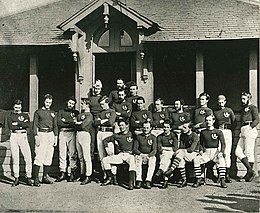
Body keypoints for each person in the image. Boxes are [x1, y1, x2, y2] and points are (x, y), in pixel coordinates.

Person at [193, 114, 227, 188]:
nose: (208, 122)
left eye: (210, 120)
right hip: (207, 152)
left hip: (215, 152)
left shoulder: (218, 132)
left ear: (213, 121)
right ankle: (199, 178)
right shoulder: (203, 132)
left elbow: (223, 144)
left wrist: (221, 152)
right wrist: (201, 150)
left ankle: (222, 179)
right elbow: (201, 144)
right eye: (207, 120)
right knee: (196, 159)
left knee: (221, 160)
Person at [101, 119, 136, 190]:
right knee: (105, 160)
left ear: (127, 125)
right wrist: (107, 149)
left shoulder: (132, 134)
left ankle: (131, 182)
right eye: (120, 125)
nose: (121, 127)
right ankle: (110, 178)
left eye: (123, 125)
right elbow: (105, 140)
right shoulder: (117, 135)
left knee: (132, 159)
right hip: (121, 155)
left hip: (129, 154)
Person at [5, 99, 33, 187]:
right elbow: (10, 126)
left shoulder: (25, 115)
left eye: (19, 107)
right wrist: (21, 124)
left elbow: (27, 125)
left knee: (28, 157)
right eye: (16, 107)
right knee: (15, 158)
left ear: (21, 107)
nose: (17, 109)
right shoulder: (10, 115)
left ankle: (28, 177)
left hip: (23, 136)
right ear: (13, 106)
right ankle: (16, 178)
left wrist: (17, 123)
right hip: (14, 136)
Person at [164, 121, 200, 188]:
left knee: (180, 153)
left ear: (190, 128)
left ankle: (171, 170)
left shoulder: (195, 136)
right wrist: (179, 151)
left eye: (185, 127)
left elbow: (191, 149)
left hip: (194, 153)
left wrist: (181, 151)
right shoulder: (183, 135)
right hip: (185, 153)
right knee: (180, 160)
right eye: (182, 127)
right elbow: (181, 147)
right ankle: (184, 180)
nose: (182, 128)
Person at [33, 94, 58, 187]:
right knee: (39, 155)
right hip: (41, 134)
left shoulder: (53, 113)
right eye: (47, 102)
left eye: (50, 102)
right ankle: (36, 178)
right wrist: (36, 136)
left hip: (50, 135)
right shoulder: (38, 112)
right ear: (44, 101)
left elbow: (55, 126)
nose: (48, 104)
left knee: (49, 156)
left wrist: (55, 137)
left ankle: (44, 177)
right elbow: (35, 125)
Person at [235, 92, 259, 182]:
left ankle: (249, 174)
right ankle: (250, 171)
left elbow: (257, 119)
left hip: (249, 128)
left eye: (244, 99)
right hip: (243, 129)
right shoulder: (243, 109)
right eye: (241, 99)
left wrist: (250, 127)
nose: (242, 100)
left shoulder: (253, 107)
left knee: (249, 152)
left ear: (249, 98)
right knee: (237, 151)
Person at [56, 96, 79, 182]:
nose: (71, 105)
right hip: (62, 133)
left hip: (72, 133)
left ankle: (72, 173)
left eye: (73, 104)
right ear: (67, 102)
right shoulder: (61, 112)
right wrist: (70, 121)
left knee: (72, 153)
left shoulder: (75, 112)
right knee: (62, 153)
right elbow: (59, 123)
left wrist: (65, 120)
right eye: (70, 103)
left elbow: (74, 124)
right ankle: (63, 172)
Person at [214, 95, 236, 183]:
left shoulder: (229, 110)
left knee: (227, 152)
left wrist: (229, 129)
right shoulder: (215, 112)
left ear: (225, 102)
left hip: (227, 131)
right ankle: (220, 174)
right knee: (219, 151)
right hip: (219, 131)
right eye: (219, 102)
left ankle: (227, 174)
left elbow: (234, 122)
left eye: (222, 102)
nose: (220, 103)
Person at [93, 95, 116, 179]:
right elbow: (95, 123)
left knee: (110, 153)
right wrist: (104, 121)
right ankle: (105, 174)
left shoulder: (112, 112)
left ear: (107, 102)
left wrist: (100, 121)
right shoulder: (99, 113)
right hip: (100, 133)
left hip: (108, 133)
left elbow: (110, 122)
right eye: (100, 104)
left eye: (103, 104)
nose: (101, 106)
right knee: (101, 154)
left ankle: (113, 175)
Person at [75, 98, 93, 185]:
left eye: (83, 103)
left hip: (85, 135)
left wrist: (78, 123)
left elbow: (83, 125)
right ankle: (82, 174)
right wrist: (78, 124)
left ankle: (88, 175)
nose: (81, 105)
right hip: (78, 135)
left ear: (87, 104)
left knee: (86, 156)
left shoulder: (89, 115)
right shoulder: (80, 115)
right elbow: (74, 125)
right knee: (80, 156)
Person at [155, 120, 178, 188]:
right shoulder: (160, 137)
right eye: (164, 127)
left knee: (166, 156)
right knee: (166, 158)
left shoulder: (173, 136)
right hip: (163, 154)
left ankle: (161, 169)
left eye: (167, 127)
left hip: (171, 153)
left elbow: (175, 148)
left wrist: (164, 148)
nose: (165, 129)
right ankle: (165, 181)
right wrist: (167, 148)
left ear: (170, 128)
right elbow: (159, 149)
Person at [133, 122, 157, 189]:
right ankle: (139, 180)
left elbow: (154, 150)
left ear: (150, 128)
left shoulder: (153, 137)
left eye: (147, 128)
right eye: (144, 128)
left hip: (149, 155)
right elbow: (135, 148)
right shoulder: (138, 137)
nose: (145, 129)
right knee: (137, 158)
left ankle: (148, 180)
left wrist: (148, 156)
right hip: (141, 154)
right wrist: (141, 154)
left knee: (153, 159)